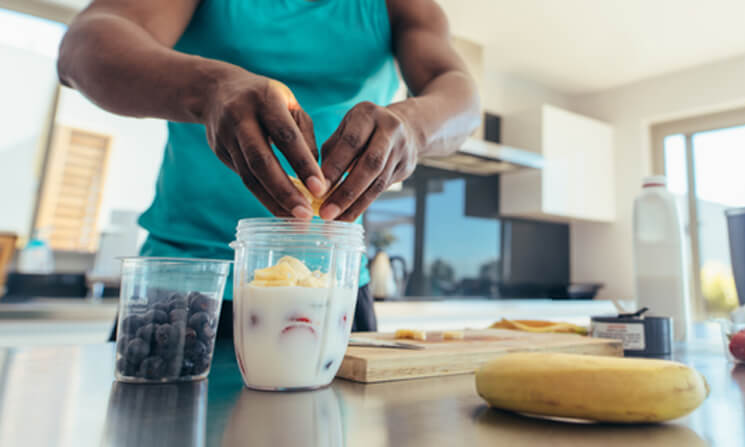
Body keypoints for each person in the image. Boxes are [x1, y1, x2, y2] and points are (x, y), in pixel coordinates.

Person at [57, 0, 479, 336]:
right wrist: (209, 88)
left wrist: (413, 126)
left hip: (332, 289)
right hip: (187, 282)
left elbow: (461, 95)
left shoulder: (397, 4)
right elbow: (82, 49)